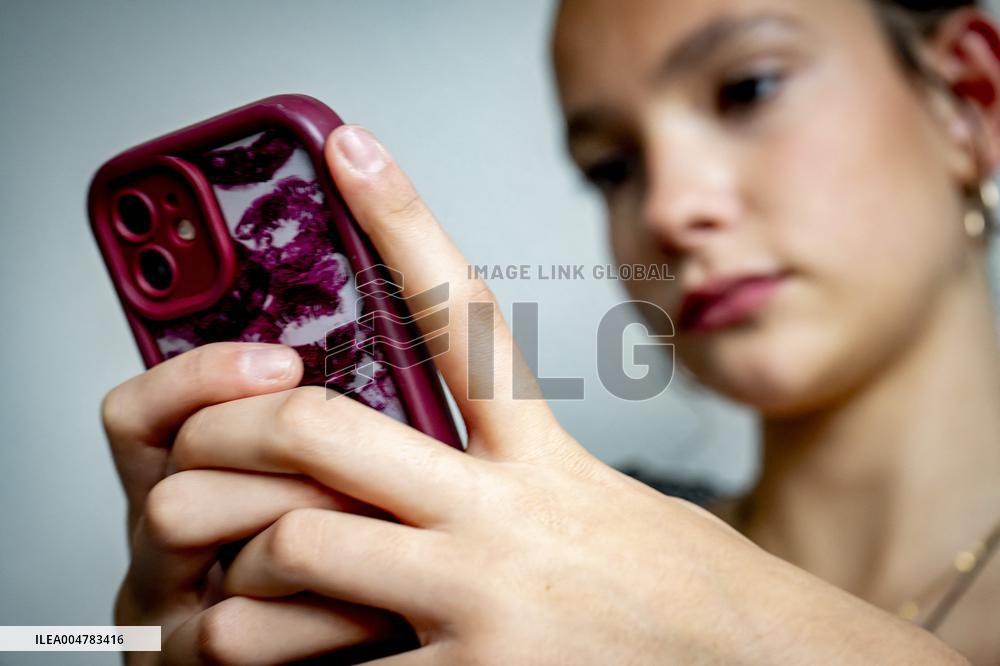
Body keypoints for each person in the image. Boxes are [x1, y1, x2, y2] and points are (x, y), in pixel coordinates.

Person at [101, 0, 1000, 663]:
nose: (671, 209)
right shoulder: (485, 585)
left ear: (971, 99)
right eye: (610, 168)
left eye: (748, 89)